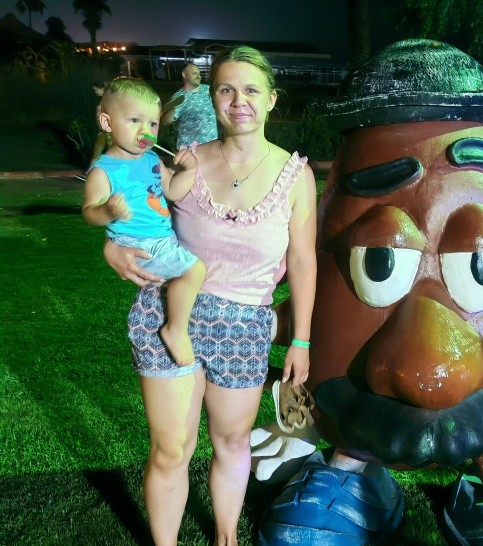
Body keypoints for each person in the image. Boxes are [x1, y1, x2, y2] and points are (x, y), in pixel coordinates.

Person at [104, 46, 317, 546]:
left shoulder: (296, 177)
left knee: (232, 441)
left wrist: (301, 341)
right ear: (213, 96)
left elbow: (303, 262)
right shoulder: (185, 162)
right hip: (168, 317)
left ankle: (226, 537)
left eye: (251, 90)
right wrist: (112, 246)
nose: (239, 101)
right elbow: (134, 214)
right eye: (226, 89)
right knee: (170, 450)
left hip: (244, 326)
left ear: (271, 100)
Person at [83, 78, 205, 365]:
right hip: (139, 243)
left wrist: (189, 171)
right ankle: (175, 330)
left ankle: (173, 320)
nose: (145, 131)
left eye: (152, 123)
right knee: (194, 270)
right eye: (134, 120)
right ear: (107, 122)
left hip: (161, 238)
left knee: (185, 275)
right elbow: (89, 213)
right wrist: (107, 211)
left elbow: (172, 190)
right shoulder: (103, 171)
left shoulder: (152, 159)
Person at [161, 62, 219, 149]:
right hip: (191, 150)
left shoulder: (208, 90)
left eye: (199, 73)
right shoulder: (178, 97)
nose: (198, 76)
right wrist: (173, 107)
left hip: (213, 147)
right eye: (194, 73)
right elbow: (165, 121)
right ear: (185, 75)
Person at [88, 80, 110, 170]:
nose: (95, 92)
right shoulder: (103, 101)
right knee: (97, 153)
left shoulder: (109, 102)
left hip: (110, 133)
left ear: (103, 89)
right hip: (103, 132)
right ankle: (91, 172)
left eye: (96, 89)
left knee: (110, 154)